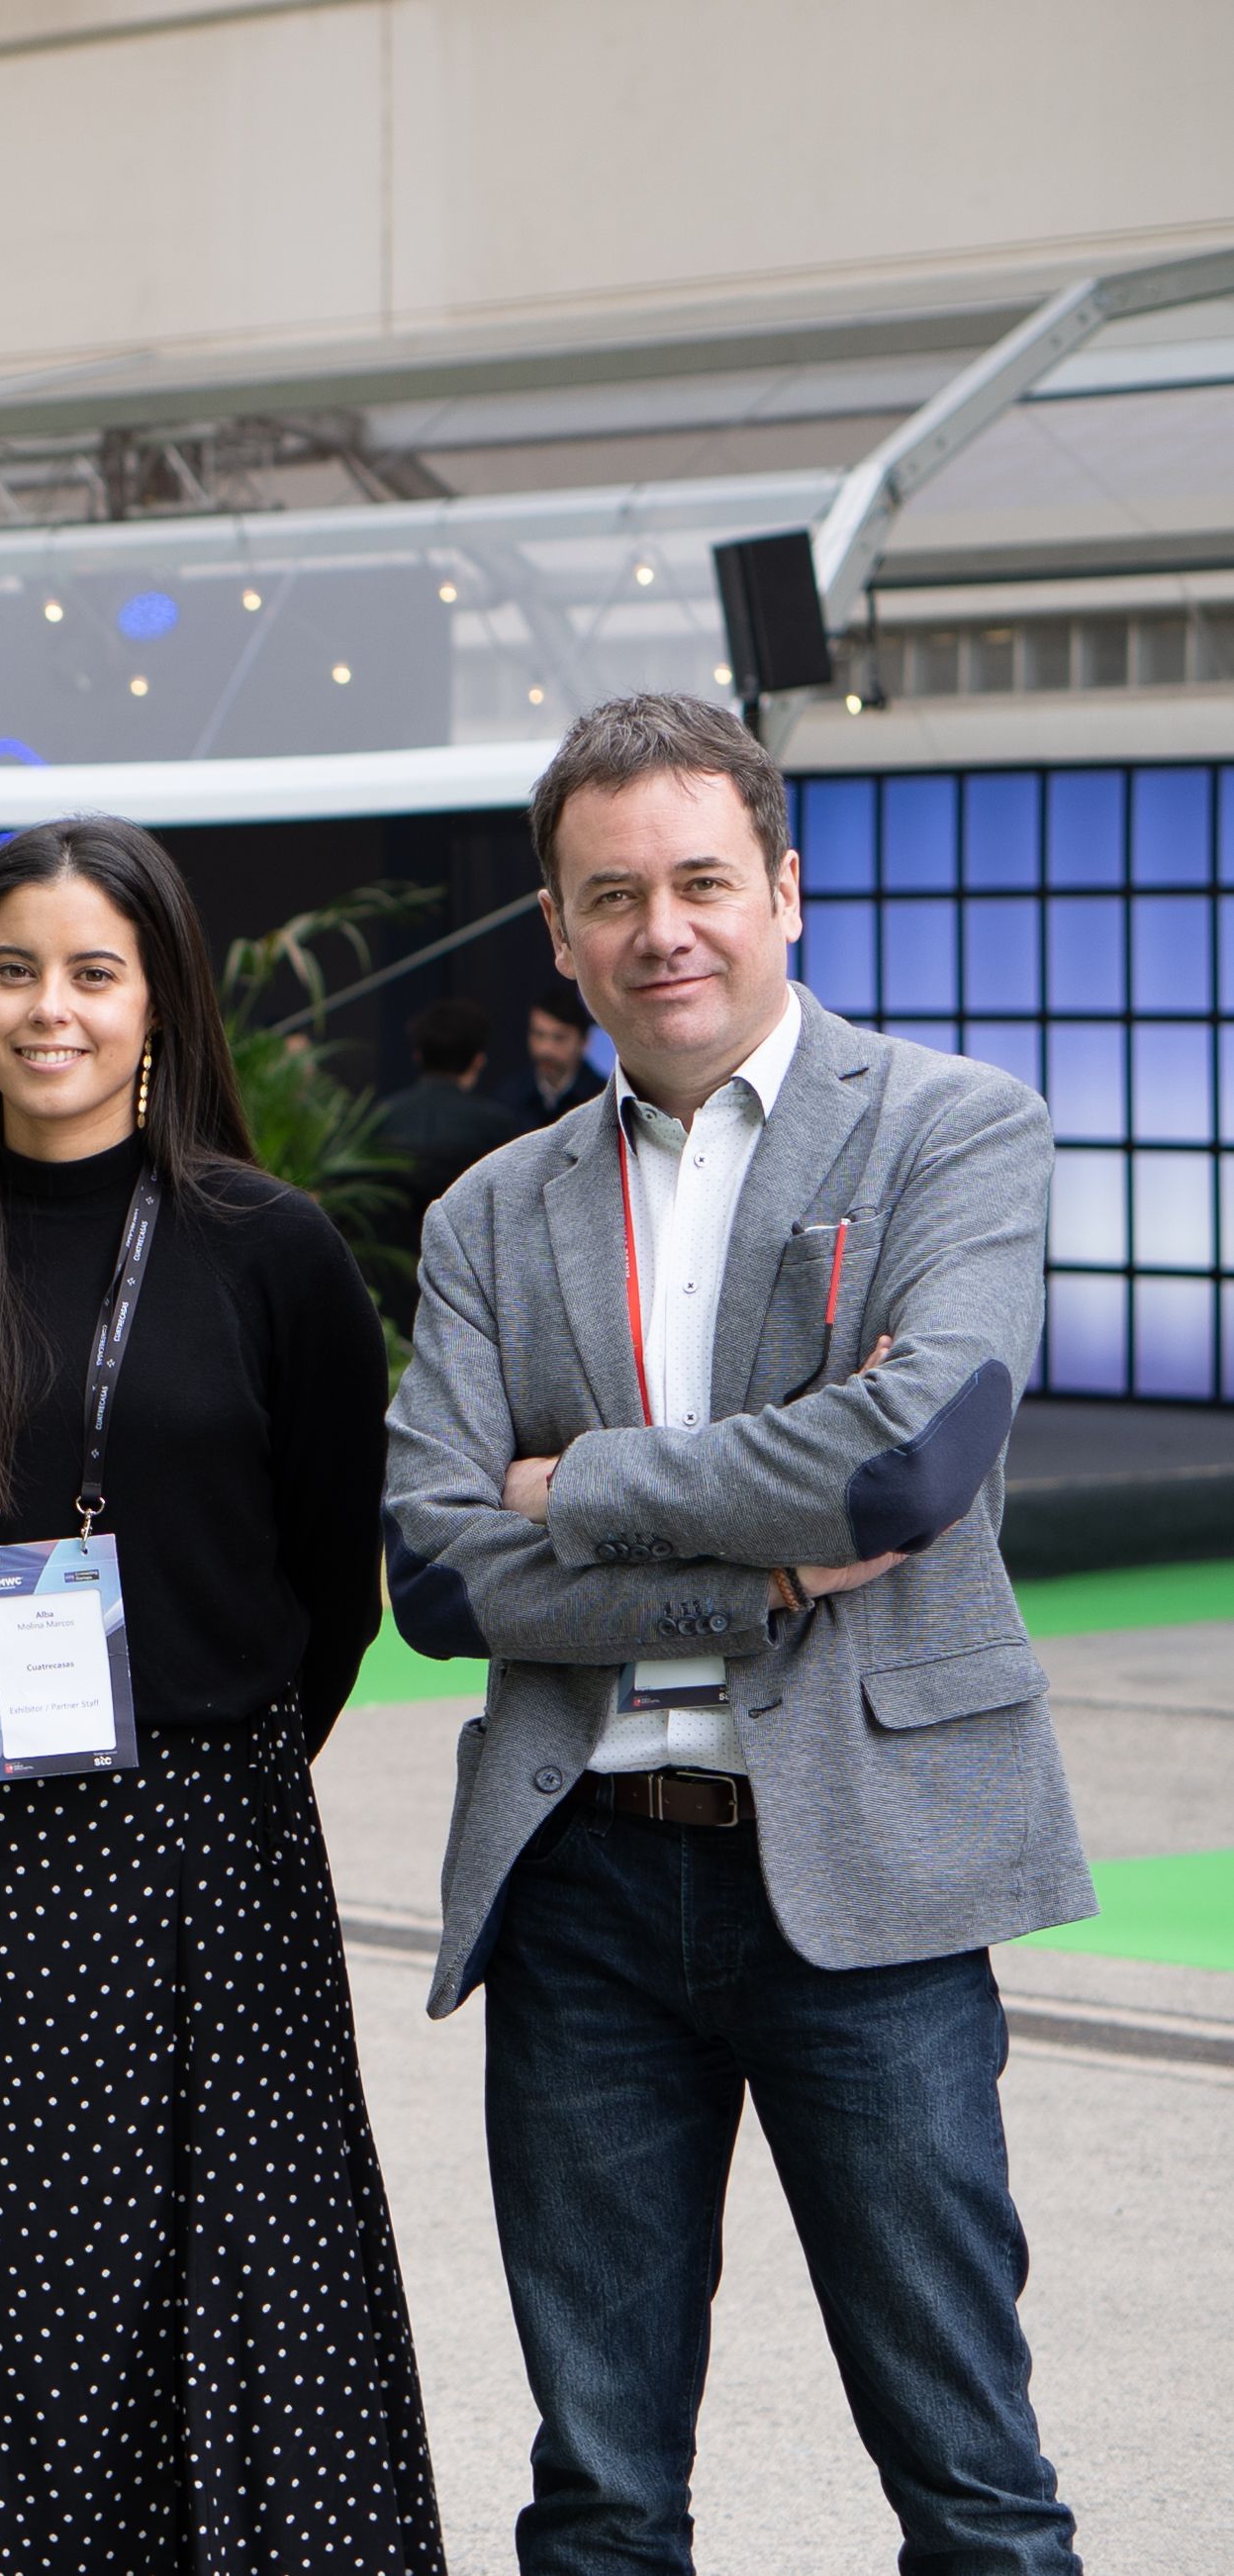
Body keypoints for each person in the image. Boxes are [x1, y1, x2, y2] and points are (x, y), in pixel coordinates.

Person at [384, 695, 1088, 2575]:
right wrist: (752, 1573)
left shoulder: (953, 1128)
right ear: (558, 929)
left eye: (703, 880)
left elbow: (905, 1461)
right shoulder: (486, 1213)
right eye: (612, 895)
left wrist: (580, 1484)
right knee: (602, 2490)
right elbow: (442, 1570)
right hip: (587, 1893)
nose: (661, 928)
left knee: (971, 2473)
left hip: (868, 1876)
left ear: (784, 887)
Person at [0, 815, 439, 2575]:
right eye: (15, 968)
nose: (53, 1008)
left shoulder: (271, 1253)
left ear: (160, 1004)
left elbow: (327, 1590)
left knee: (228, 2298)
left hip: (204, 1847)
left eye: (95, 972)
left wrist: (201, 1755)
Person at [370, 993, 528, 1328]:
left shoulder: (379, 1121)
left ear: (417, 1055)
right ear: (477, 1061)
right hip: (470, 1296)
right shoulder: (499, 1128)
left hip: (388, 1294)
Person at [505, 980, 601, 1126]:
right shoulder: (508, 1098)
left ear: (584, 1042)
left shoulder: (603, 1100)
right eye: (538, 1035)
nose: (546, 1049)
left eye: (559, 1038)